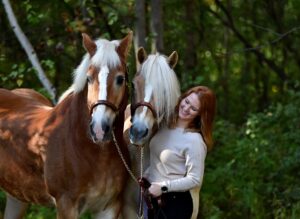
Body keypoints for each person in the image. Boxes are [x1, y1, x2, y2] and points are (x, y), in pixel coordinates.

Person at [142, 85, 216, 219]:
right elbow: (161, 161)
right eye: (187, 102)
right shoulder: (164, 125)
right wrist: (147, 175)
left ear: (200, 114)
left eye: (193, 108)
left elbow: (195, 179)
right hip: (152, 198)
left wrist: (163, 187)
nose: (186, 108)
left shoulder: (194, 140)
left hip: (175, 204)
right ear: (182, 98)